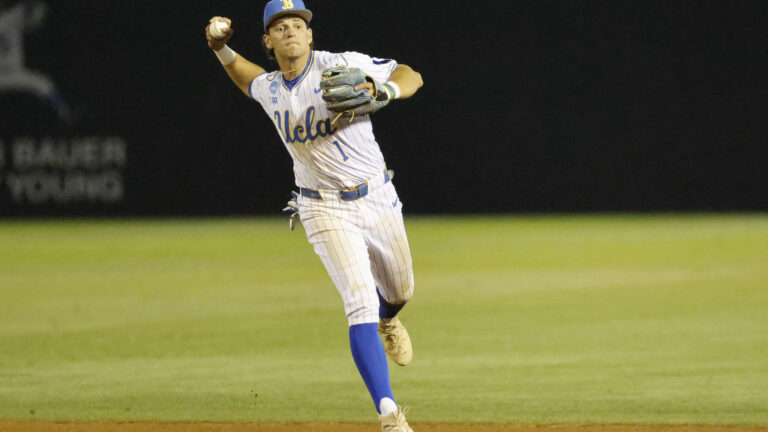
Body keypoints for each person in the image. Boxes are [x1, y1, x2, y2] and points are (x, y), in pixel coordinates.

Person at [204, 1, 423, 431]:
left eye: (297, 24)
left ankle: (390, 318)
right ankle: (389, 414)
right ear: (268, 40)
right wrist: (220, 49)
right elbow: (245, 78)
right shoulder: (270, 87)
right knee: (358, 299)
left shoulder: (341, 65)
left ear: (309, 35)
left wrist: (386, 91)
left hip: (377, 195)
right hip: (320, 205)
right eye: (280, 26)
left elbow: (411, 74)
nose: (290, 31)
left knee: (400, 289)